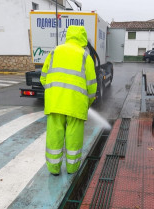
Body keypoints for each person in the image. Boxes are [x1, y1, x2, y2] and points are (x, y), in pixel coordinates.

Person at [40, 25, 97, 175]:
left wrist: (54, 93)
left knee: (54, 135)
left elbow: (43, 77)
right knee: (74, 137)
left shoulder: (55, 52)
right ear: (83, 39)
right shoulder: (85, 56)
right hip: (76, 105)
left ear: (68, 36)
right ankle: (72, 169)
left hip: (55, 103)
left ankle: (53, 169)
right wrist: (87, 103)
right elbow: (91, 87)